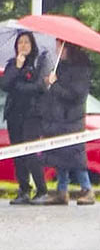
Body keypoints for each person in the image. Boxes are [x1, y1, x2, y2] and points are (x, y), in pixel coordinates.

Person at [37, 42, 94, 206]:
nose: (56, 49)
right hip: (57, 118)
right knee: (59, 156)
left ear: (67, 47)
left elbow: (75, 95)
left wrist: (55, 85)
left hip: (71, 119)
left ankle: (86, 188)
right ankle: (62, 191)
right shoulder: (60, 66)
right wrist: (49, 82)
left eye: (59, 45)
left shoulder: (81, 68)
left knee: (75, 155)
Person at [0, 30, 49, 205]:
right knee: (18, 153)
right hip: (14, 115)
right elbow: (4, 84)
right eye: (20, 43)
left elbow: (39, 87)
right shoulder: (12, 64)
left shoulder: (39, 63)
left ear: (32, 45)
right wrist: (17, 68)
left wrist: (19, 86)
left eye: (26, 42)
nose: (23, 46)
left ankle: (42, 190)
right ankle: (24, 189)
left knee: (31, 153)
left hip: (32, 115)